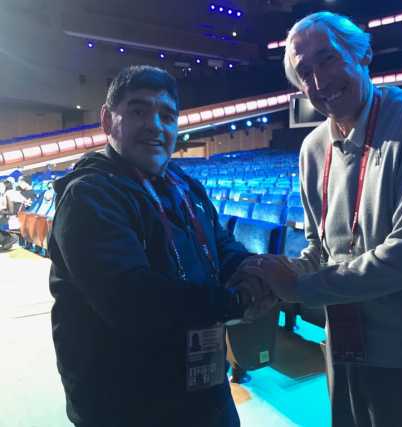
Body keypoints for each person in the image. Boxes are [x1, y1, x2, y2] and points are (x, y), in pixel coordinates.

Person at [232, 11, 402, 427]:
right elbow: (321, 250)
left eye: (328, 59)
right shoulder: (312, 149)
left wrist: (299, 287)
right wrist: (271, 277)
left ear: (362, 54)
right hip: (348, 351)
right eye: (304, 73)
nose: (319, 80)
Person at [48, 65, 275, 427]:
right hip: (127, 404)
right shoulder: (89, 196)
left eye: (167, 116)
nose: (155, 125)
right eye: (138, 111)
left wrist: (255, 271)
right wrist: (235, 302)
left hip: (202, 388)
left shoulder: (184, 185)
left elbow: (221, 248)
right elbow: (131, 299)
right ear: (107, 120)